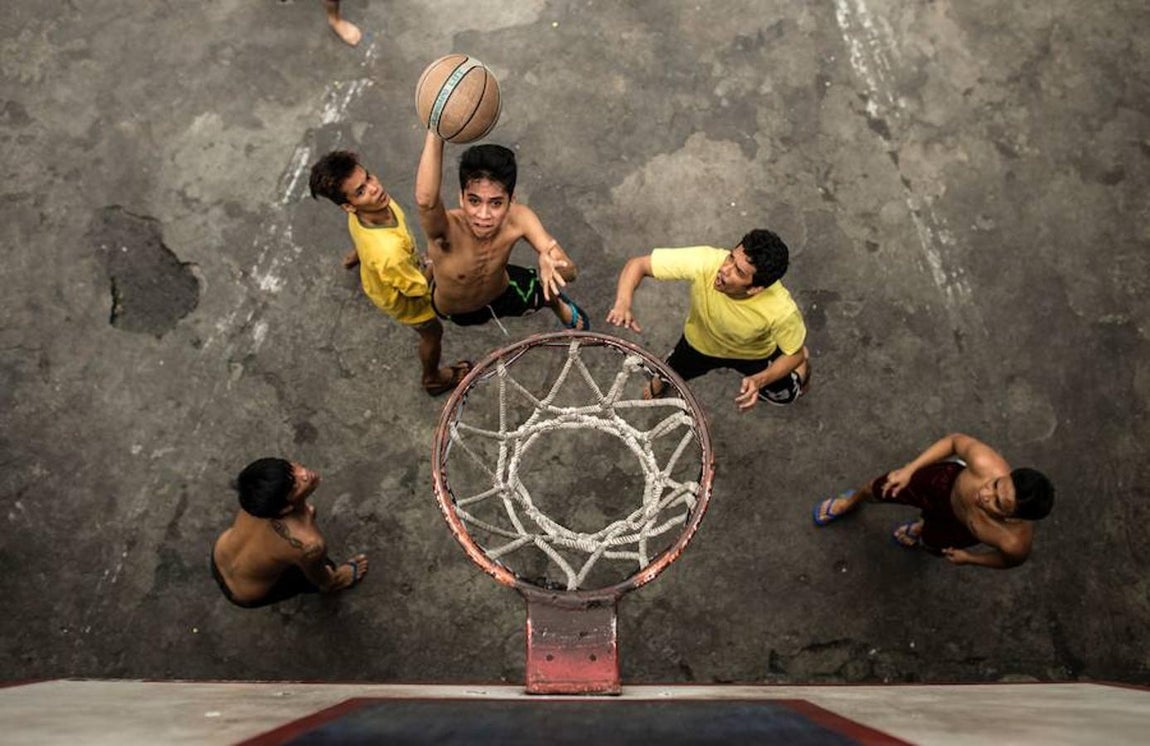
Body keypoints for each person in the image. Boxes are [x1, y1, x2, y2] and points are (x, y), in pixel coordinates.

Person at [309, 150, 470, 396]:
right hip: (404, 299)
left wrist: (362, 253)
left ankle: (359, 257)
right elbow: (417, 289)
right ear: (348, 206)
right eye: (361, 192)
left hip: (383, 265)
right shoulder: (388, 253)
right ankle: (432, 378)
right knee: (432, 333)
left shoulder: (368, 212)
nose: (374, 189)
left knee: (370, 252)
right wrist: (438, 260)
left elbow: (371, 241)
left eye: (369, 179)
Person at [606, 229, 810, 412]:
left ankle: (802, 372)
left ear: (755, 288)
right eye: (731, 257)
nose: (724, 269)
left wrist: (760, 379)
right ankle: (662, 383)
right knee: (668, 373)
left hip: (753, 354)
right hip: (699, 343)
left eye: (738, 271)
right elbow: (638, 264)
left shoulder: (781, 310)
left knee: (788, 392)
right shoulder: (706, 261)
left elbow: (794, 354)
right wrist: (623, 303)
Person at [414, 131, 588, 332]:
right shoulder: (446, 230)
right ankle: (430, 266)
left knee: (546, 293)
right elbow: (426, 202)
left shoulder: (520, 218)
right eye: (474, 201)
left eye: (496, 203)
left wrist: (554, 266)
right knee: (437, 264)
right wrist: (435, 131)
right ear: (461, 197)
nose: (483, 215)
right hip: (456, 310)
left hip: (503, 291)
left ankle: (557, 305)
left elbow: (571, 272)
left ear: (511, 200)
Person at [812, 433, 1055, 569]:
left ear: (1013, 517)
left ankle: (920, 529)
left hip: (957, 529)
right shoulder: (985, 463)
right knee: (881, 487)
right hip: (942, 485)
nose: (985, 494)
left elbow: (1008, 561)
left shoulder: (1012, 541)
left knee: (931, 543)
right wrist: (910, 469)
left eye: (998, 504)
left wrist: (970, 559)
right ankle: (851, 501)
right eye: (995, 485)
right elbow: (954, 441)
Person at [212, 458, 369, 608]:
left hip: (219, 556)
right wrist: (330, 580)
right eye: (295, 485)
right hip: (245, 593)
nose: (304, 474)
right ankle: (339, 581)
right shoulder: (309, 544)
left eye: (290, 468)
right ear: (285, 508)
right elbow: (320, 578)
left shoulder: (256, 495)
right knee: (325, 568)